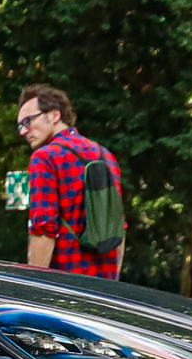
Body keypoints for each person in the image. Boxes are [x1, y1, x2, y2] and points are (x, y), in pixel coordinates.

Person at [17, 83, 126, 279]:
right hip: (105, 289)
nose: (23, 131)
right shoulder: (105, 155)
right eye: (20, 125)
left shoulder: (45, 158)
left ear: (54, 115)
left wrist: (33, 286)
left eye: (28, 121)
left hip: (66, 285)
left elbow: (43, 229)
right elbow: (119, 227)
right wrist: (114, 281)